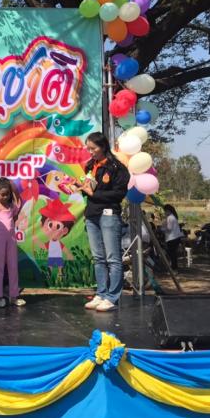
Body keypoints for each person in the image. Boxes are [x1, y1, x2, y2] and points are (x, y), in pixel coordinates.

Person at [77, 132, 129, 312]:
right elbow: (89, 189)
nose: (90, 152)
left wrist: (94, 194)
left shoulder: (117, 167)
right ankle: (101, 293)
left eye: (93, 148)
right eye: (88, 148)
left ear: (103, 146)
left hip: (109, 215)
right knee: (98, 258)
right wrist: (80, 187)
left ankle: (112, 297)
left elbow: (119, 193)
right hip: (92, 215)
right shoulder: (90, 166)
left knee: (113, 258)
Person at [0, 178, 25, 308]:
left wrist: (12, 186)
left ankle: (13, 296)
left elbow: (19, 202)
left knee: (13, 266)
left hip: (11, 241)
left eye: (7, 194)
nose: (5, 197)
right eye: (2, 194)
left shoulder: (12, 207)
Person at [162, 204, 183, 271]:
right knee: (173, 253)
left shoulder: (170, 218)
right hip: (175, 237)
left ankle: (174, 268)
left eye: (165, 211)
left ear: (168, 210)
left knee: (171, 253)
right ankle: (174, 267)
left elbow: (169, 229)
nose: (164, 213)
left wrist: (162, 229)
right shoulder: (173, 217)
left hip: (172, 238)